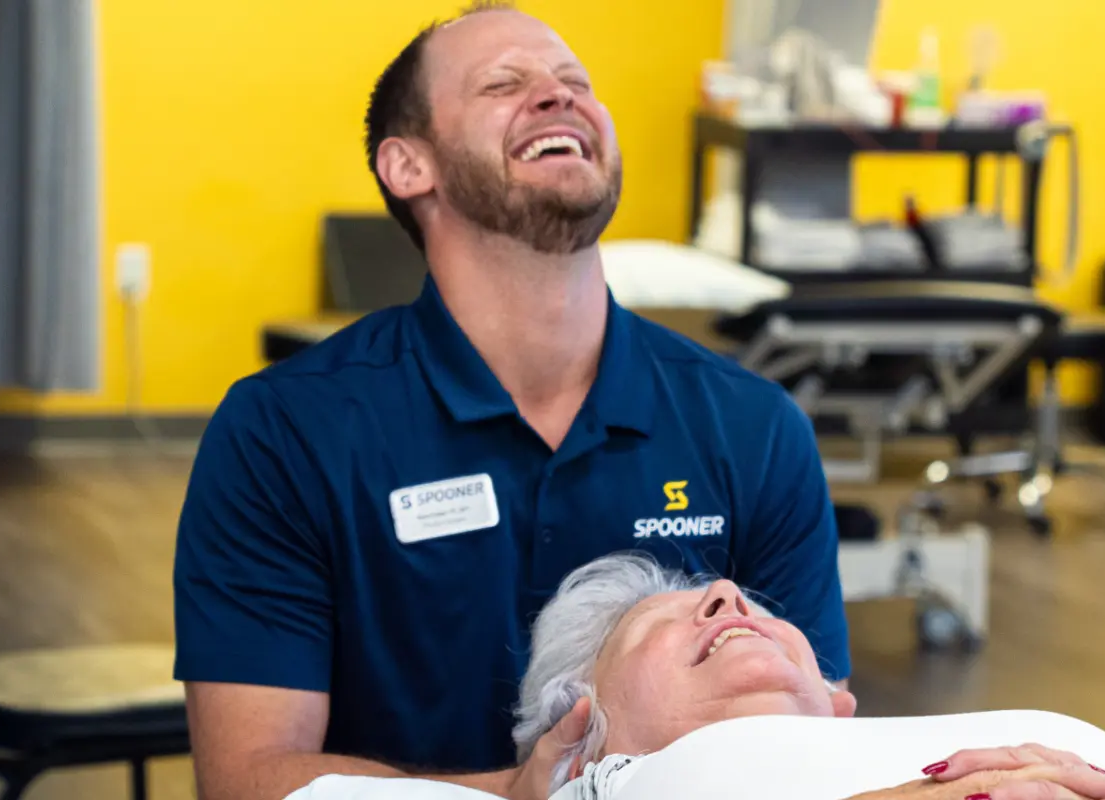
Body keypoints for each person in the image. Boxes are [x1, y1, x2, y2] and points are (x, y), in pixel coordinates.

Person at [172, 4, 851, 800]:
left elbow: (815, 729)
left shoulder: (752, 426)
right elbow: (248, 781)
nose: (559, 96)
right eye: (505, 83)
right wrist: (519, 795)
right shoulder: (284, 433)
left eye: (576, 83)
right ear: (407, 166)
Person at [285, 554, 1105, 800]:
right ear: (584, 735)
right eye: (663, 622)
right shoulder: (612, 785)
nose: (724, 592)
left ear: (839, 699)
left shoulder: (911, 730)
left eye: (758, 607)